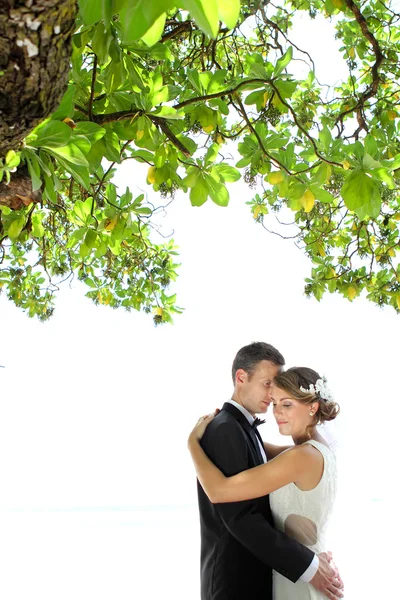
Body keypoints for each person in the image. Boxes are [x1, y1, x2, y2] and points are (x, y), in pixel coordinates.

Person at [189, 342, 343, 600]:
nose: (276, 408)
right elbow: (241, 515)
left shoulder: (300, 454)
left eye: (286, 403)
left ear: (312, 406)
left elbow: (228, 486)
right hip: (241, 581)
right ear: (241, 377)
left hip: (291, 577)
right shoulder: (229, 429)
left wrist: (192, 444)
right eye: (269, 388)